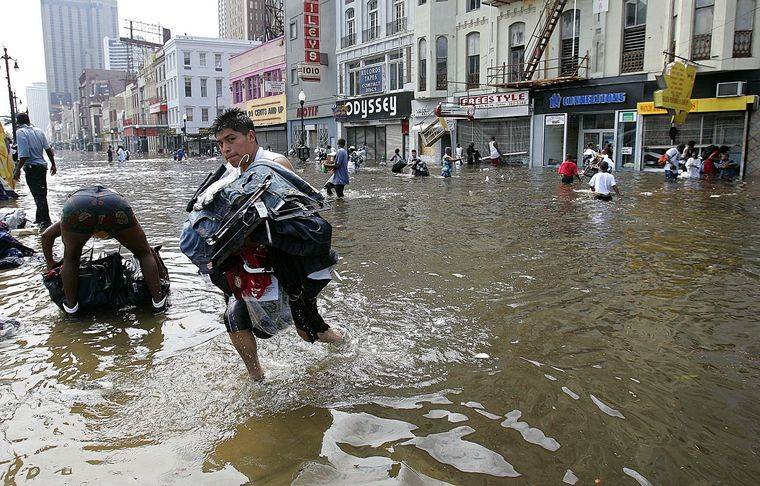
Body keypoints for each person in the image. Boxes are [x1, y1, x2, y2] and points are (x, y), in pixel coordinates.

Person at [208, 108, 342, 379]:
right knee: (234, 317)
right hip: (252, 267)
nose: (225, 148)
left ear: (251, 136)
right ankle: (257, 380)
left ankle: (342, 344)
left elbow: (285, 222)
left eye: (231, 139)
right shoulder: (228, 175)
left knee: (308, 331)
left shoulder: (275, 164)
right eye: (221, 143)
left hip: (288, 266)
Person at [40, 186, 168, 315]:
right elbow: (148, 252)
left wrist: (50, 263)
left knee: (71, 260)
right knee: (143, 253)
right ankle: (159, 303)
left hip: (78, 204)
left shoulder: (76, 216)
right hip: (114, 203)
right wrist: (163, 278)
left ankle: (72, 309)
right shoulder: (119, 214)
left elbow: (46, 236)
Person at [12, 113, 56, 229]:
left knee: (38, 195)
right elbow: (48, 149)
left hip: (32, 168)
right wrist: (53, 164)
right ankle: (39, 219)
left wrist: (17, 170)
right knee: (42, 193)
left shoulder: (20, 132)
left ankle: (46, 222)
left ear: (18, 123)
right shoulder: (39, 131)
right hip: (42, 167)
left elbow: (24, 154)